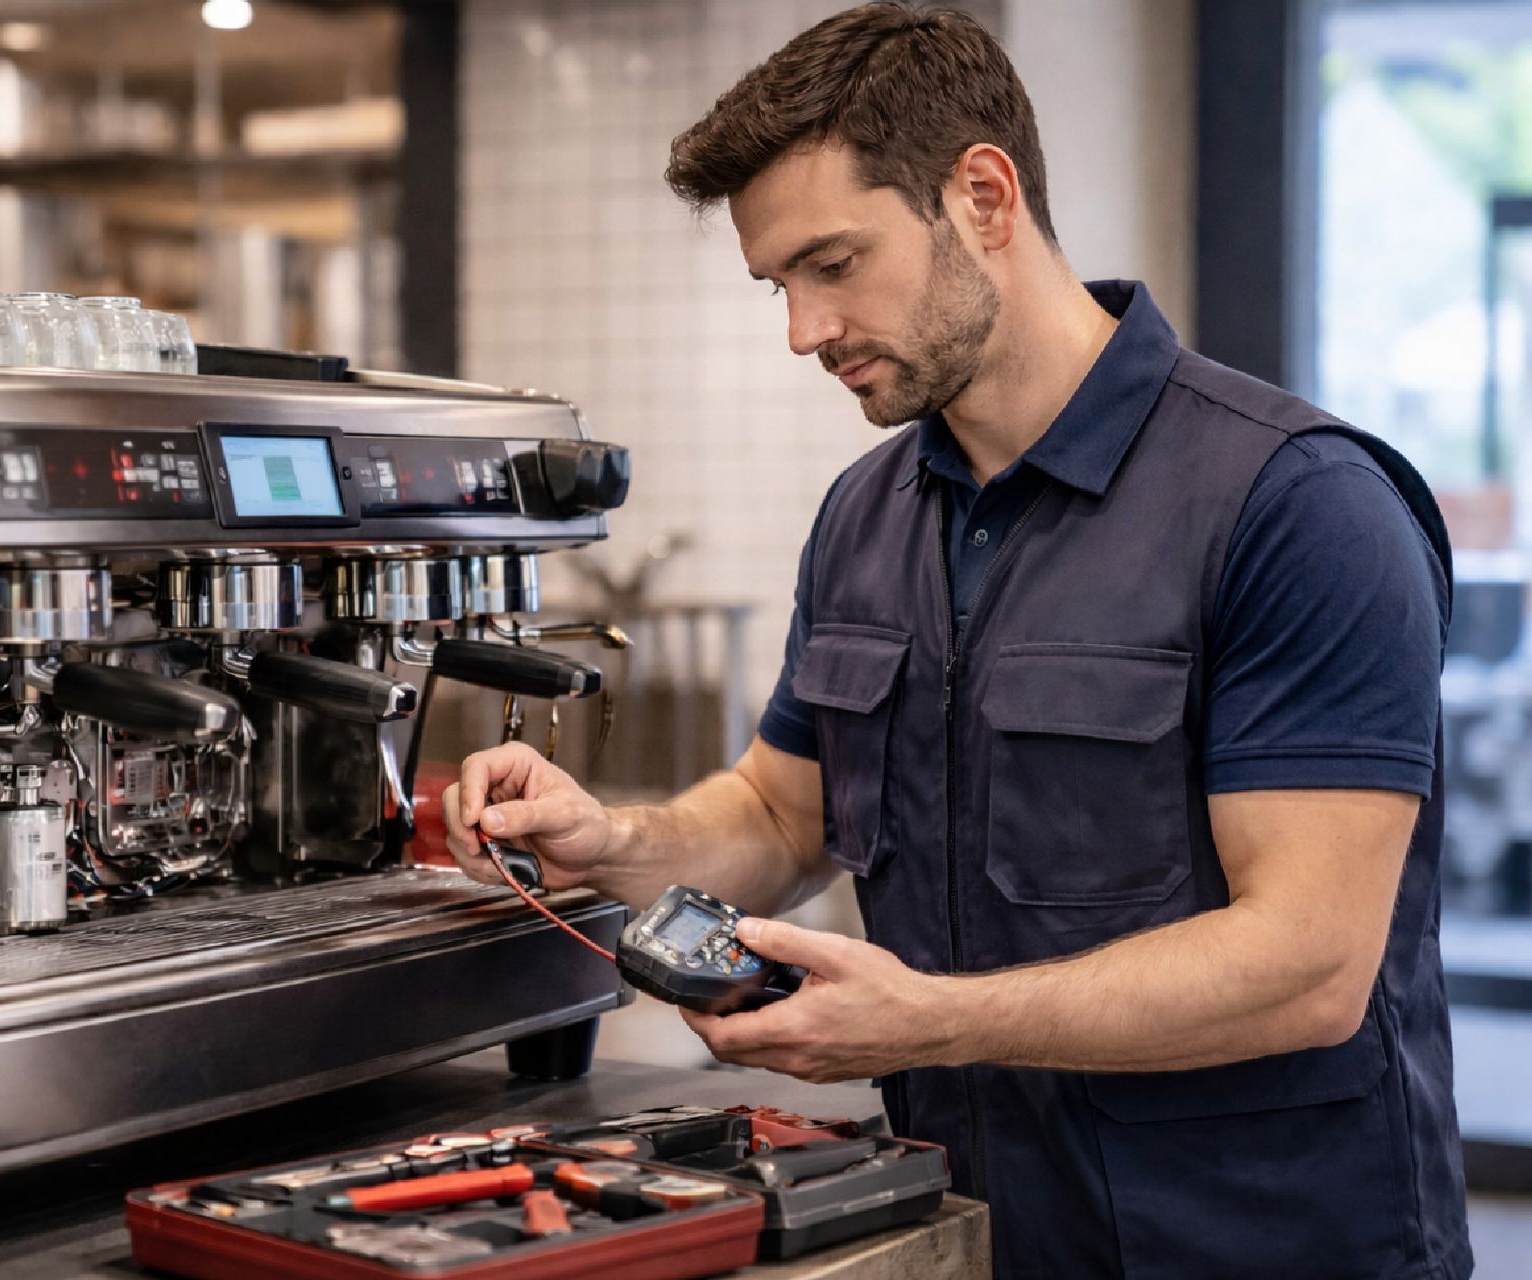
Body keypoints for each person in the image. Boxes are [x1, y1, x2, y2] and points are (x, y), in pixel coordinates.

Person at [442, 4, 1471, 1277]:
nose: (803, 332)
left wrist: (927, 1022)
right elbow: (779, 817)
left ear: (983, 195)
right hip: (974, 1235)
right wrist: (616, 840)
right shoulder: (868, 517)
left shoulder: (1295, 504)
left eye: (833, 264)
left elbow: (1307, 963)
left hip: (1263, 1244)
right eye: (779, 285)